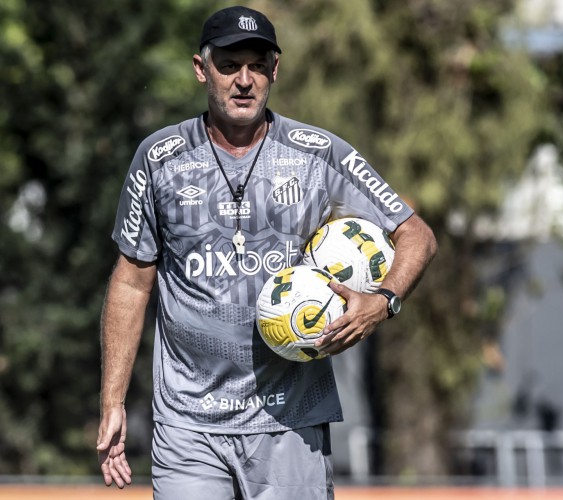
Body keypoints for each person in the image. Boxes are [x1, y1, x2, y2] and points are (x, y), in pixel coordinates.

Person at [96, 5, 437, 499]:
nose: (244, 80)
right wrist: (112, 402)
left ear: (274, 71)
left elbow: (417, 235)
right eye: (229, 65)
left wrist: (383, 302)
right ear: (201, 69)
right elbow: (131, 281)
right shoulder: (159, 159)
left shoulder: (319, 154)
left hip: (290, 419)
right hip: (188, 423)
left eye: (258, 65)